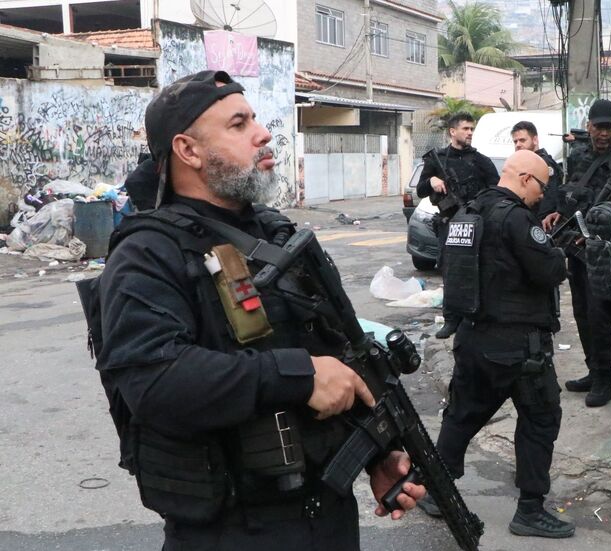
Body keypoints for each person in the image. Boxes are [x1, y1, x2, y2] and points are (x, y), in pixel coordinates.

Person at [94, 70, 425, 550]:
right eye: (238, 124)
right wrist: (299, 376)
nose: (263, 133)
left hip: (326, 516)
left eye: (255, 119)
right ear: (188, 151)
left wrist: (375, 456)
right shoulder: (147, 252)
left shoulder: (277, 234)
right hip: (231, 530)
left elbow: (340, 355)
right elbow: (154, 381)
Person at [419, 150, 574, 538]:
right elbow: (549, 271)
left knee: (462, 415)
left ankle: (437, 492)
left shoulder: (468, 213)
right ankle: (530, 510)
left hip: (472, 337)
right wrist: (560, 251)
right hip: (517, 343)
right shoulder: (517, 218)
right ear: (524, 179)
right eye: (541, 185)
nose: (542, 195)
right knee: (541, 419)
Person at [544, 99, 611, 407]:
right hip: (576, 247)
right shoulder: (576, 157)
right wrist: (555, 213)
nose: (602, 133)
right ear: (588, 127)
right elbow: (567, 194)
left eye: (608, 128)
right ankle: (593, 369)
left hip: (606, 252)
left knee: (600, 315)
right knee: (582, 313)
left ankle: (604, 379)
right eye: (598, 127)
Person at [418, 112, 500, 339]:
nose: (470, 133)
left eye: (471, 129)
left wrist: (479, 204)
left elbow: (496, 190)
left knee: (479, 268)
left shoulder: (480, 160)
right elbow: (420, 190)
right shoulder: (437, 159)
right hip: (449, 222)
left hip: (475, 223)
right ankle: (451, 319)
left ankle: (478, 316)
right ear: (452, 132)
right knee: (450, 271)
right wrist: (431, 181)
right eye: (465, 129)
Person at [512, 120, 562, 221]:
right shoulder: (525, 163)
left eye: (522, 140)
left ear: (535, 140)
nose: (518, 144)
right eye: (515, 141)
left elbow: (549, 199)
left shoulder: (544, 163)